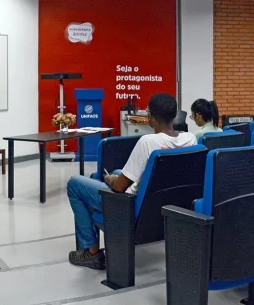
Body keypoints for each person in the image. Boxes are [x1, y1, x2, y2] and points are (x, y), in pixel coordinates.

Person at [66, 93, 197, 269]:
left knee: (75, 184)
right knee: (116, 173)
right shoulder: (190, 139)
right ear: (174, 116)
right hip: (166, 206)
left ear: (150, 116)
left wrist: (111, 180)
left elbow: (120, 187)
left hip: (130, 208)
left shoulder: (147, 142)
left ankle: (91, 252)